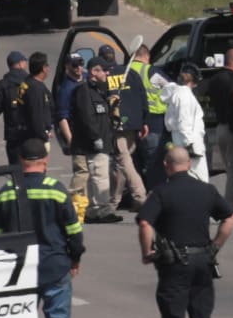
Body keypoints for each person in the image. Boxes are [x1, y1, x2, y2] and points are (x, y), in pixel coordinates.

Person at [0, 139, 85, 318]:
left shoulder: (6, 191)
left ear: (20, 161)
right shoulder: (56, 190)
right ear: (45, 161)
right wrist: (75, 259)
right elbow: (73, 231)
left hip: (18, 272)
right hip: (54, 267)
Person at [136, 146, 233, 318]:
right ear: (189, 165)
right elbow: (230, 218)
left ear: (166, 166)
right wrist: (215, 247)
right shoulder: (207, 190)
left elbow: (145, 223)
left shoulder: (162, 193)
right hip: (204, 260)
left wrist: (147, 252)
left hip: (174, 263)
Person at [71, 57, 121, 224]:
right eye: (104, 70)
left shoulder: (99, 91)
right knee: (100, 176)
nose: (107, 73)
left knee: (97, 176)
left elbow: (102, 116)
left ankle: (94, 210)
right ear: (93, 71)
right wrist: (95, 137)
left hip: (104, 140)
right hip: (94, 143)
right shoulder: (84, 91)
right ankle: (103, 210)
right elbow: (86, 118)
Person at [106, 54, 149, 212]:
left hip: (118, 125)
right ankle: (113, 201)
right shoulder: (131, 73)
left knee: (124, 161)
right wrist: (144, 121)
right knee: (122, 163)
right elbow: (142, 96)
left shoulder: (106, 76)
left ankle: (140, 196)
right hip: (134, 122)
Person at [206, 48, 233, 204]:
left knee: (230, 169)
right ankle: (231, 206)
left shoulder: (215, 80)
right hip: (232, 130)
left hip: (220, 128)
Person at [128, 44, 168, 190]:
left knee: (134, 163)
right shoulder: (151, 71)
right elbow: (173, 89)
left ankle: (137, 196)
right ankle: (155, 194)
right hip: (153, 124)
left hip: (129, 124)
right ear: (147, 56)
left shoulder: (125, 71)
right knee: (154, 163)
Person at [160, 63, 208, 182]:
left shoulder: (176, 93)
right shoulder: (185, 95)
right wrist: (189, 144)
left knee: (183, 176)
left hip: (180, 139)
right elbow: (184, 120)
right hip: (190, 141)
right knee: (199, 178)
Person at [0, 50, 30, 164]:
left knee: (16, 171)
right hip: (32, 134)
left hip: (13, 136)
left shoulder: (2, 85)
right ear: (20, 64)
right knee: (34, 170)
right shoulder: (33, 82)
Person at [55, 52, 88, 199]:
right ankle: (69, 202)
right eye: (74, 65)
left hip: (93, 133)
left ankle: (83, 202)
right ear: (67, 66)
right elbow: (62, 117)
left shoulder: (87, 80)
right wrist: (70, 140)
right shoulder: (66, 89)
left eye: (80, 63)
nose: (78, 68)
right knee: (81, 171)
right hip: (78, 136)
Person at [22, 51, 54, 146]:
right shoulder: (35, 89)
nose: (48, 68)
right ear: (44, 68)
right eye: (47, 65)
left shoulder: (30, 82)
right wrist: (44, 136)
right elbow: (36, 116)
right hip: (36, 140)